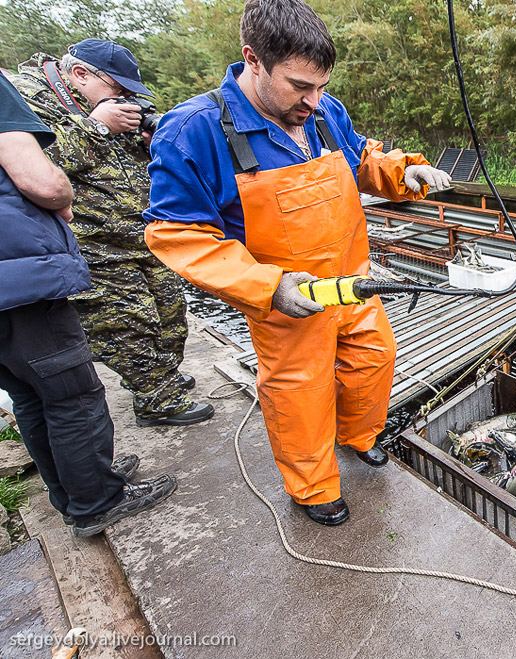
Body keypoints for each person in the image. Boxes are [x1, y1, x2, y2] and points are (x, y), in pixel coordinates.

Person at [143, 0, 451, 526]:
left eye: (322, 86)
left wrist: (402, 172)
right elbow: (178, 233)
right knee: (300, 392)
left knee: (373, 360)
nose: (314, 100)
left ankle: (358, 437)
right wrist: (269, 287)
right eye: (300, 86)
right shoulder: (194, 130)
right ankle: (313, 487)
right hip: (287, 296)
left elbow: (360, 159)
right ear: (253, 59)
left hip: (352, 280)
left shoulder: (324, 112)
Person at [0, 74, 177, 537]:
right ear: (81, 75)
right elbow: (44, 183)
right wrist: (62, 197)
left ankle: (74, 491)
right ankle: (98, 500)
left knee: (30, 394)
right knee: (72, 393)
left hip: (8, 285)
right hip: (19, 280)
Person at [9, 39, 214, 427]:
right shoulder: (27, 98)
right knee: (127, 323)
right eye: (118, 89)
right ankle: (157, 400)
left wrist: (151, 144)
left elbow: (126, 164)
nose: (124, 99)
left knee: (170, 312)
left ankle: (162, 376)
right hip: (94, 243)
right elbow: (35, 164)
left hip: (145, 233)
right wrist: (96, 125)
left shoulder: (108, 103)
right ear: (81, 74)